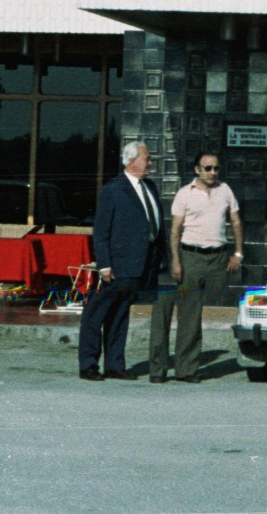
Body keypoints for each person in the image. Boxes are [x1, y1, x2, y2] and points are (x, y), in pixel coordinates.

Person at [148, 152, 243, 384]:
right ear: (197, 170)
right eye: (208, 168)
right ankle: (158, 370)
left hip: (217, 257)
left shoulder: (225, 190)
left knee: (192, 315)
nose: (213, 173)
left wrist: (238, 253)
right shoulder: (184, 194)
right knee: (174, 312)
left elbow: (237, 221)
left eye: (216, 168)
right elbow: (175, 229)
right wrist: (176, 261)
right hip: (190, 255)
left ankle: (186, 369)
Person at [78, 142, 167, 382]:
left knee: (120, 314)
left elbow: (156, 225)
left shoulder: (149, 186)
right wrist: (104, 264)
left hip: (141, 264)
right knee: (96, 313)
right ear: (132, 161)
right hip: (118, 265)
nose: (151, 162)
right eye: (147, 158)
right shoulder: (113, 189)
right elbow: (101, 231)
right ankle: (88, 365)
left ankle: (114, 365)